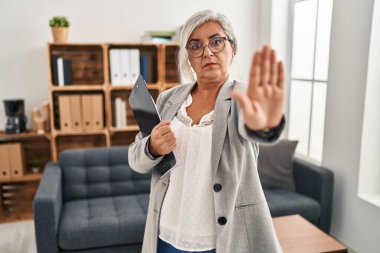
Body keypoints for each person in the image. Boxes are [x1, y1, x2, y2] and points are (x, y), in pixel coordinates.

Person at [128, 9, 285, 253]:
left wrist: (265, 123)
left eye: (217, 41)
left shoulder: (244, 97)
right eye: (195, 45)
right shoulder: (168, 99)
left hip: (222, 240)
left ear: (233, 48)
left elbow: (258, 127)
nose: (207, 52)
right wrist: (151, 147)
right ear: (187, 57)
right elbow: (136, 160)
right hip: (166, 233)